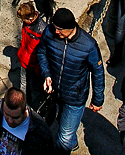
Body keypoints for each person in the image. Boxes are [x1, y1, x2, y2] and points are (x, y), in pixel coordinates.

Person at [36, 8, 105, 153]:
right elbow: (41, 51)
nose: (56, 32)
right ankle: (72, 142)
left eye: (60, 29)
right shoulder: (49, 32)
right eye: (55, 28)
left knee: (64, 137)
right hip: (55, 92)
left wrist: (97, 99)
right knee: (61, 121)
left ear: (70, 27)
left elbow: (98, 72)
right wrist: (46, 74)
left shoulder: (88, 45)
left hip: (75, 97)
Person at [0, 87, 54, 155]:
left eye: (15, 118)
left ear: (24, 110)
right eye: (6, 114)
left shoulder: (41, 132)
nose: (10, 121)